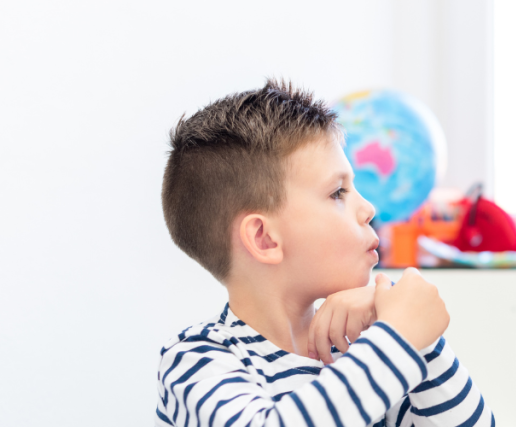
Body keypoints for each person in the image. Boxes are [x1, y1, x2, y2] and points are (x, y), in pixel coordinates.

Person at [157, 80, 493, 427]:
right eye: (337, 192)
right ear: (264, 238)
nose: (369, 208)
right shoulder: (197, 359)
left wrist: (427, 345)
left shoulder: (362, 348)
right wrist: (400, 337)